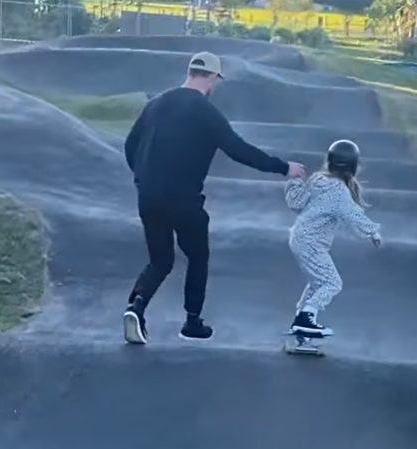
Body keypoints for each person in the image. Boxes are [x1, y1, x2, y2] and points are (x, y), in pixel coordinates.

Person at [122, 51, 307, 345]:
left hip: (148, 196)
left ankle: (136, 307)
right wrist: (284, 167)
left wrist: (143, 178)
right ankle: (192, 323)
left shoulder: (156, 104)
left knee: (160, 260)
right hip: (183, 200)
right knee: (197, 256)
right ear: (211, 78)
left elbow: (131, 145)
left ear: (190, 72)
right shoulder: (205, 111)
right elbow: (238, 149)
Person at [284, 139, 381, 336]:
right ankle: (305, 318)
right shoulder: (339, 191)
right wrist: (372, 232)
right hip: (311, 242)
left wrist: (295, 180)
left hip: (299, 238)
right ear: (354, 166)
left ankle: (302, 317)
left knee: (318, 282)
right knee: (332, 283)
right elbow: (353, 214)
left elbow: (296, 202)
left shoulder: (317, 181)